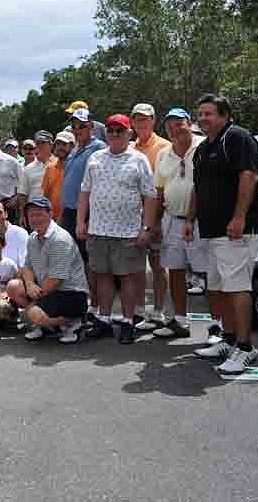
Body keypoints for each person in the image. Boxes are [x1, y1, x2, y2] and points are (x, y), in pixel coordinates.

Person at [188, 94, 258, 373]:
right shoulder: (202, 149)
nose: (202, 119)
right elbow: (197, 189)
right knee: (219, 287)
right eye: (200, 114)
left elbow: (249, 176)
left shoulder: (237, 137)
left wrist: (238, 217)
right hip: (213, 231)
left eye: (208, 114)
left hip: (239, 230)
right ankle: (230, 338)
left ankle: (246, 348)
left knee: (237, 286)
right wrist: (190, 221)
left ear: (224, 115)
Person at [77, 114, 156, 344]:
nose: (114, 134)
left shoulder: (139, 159)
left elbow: (150, 196)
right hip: (98, 229)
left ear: (128, 133)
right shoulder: (95, 158)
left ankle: (128, 322)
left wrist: (146, 228)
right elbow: (84, 192)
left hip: (128, 231)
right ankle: (104, 319)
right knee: (102, 276)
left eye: (119, 130)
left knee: (127, 277)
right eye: (110, 130)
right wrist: (81, 221)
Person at [148, 108, 208, 339]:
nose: (174, 127)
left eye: (178, 122)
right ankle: (180, 320)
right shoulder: (164, 153)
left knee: (207, 274)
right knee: (175, 270)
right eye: (169, 124)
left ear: (189, 123)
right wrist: (154, 224)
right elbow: (160, 191)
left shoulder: (204, 145)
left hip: (201, 221)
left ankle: (218, 326)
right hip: (172, 219)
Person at [6, 197, 90, 344]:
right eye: (31, 215)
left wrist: (33, 303)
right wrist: (30, 285)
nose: (35, 219)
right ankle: (49, 325)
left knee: (33, 314)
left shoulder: (59, 239)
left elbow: (55, 280)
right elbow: (26, 267)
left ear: (50, 214)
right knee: (13, 287)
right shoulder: (32, 237)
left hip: (71, 294)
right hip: (48, 289)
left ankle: (74, 321)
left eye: (39, 214)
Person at [60, 107, 106, 318]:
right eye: (74, 126)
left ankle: (94, 304)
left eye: (81, 125)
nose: (77, 129)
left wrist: (84, 217)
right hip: (69, 212)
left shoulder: (98, 149)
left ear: (91, 126)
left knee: (90, 261)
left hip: (86, 213)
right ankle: (81, 299)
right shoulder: (75, 150)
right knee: (74, 259)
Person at [130, 103, 173, 330]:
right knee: (136, 266)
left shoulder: (165, 146)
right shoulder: (130, 147)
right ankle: (138, 311)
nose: (142, 123)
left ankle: (157, 312)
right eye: (137, 119)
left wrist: (155, 221)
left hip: (156, 215)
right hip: (132, 217)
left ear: (154, 120)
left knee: (157, 265)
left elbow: (164, 187)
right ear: (132, 122)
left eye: (145, 118)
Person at [17, 130, 54, 225]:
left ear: (51, 145)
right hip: (34, 214)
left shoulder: (59, 164)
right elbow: (22, 194)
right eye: (37, 143)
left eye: (43, 143)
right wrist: (22, 215)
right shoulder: (28, 168)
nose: (40, 146)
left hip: (54, 212)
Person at [41, 131, 74, 221]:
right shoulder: (50, 167)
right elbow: (45, 195)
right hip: (52, 219)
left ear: (72, 146)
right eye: (58, 144)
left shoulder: (76, 167)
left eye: (64, 144)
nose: (60, 147)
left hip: (71, 217)